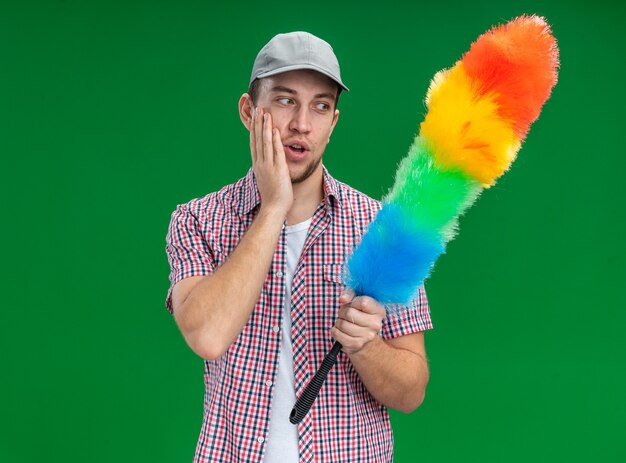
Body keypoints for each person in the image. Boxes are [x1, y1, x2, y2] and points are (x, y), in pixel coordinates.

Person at [165, 31, 432, 463]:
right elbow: (207, 335)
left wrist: (367, 347)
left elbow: (411, 391)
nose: (302, 124)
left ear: (333, 122)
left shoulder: (381, 229)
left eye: (320, 105)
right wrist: (273, 209)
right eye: (286, 100)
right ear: (249, 111)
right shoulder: (199, 220)